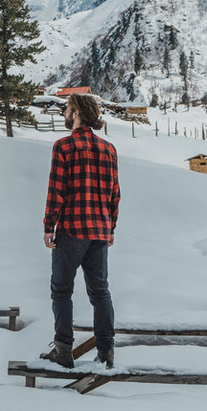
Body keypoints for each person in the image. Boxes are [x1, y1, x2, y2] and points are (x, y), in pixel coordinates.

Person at [40, 93, 120, 368]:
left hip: (72, 230)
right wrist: (110, 228)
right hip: (99, 231)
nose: (64, 113)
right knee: (101, 293)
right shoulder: (109, 149)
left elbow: (56, 192)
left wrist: (49, 226)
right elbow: (114, 195)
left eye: (67, 109)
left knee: (62, 290)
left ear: (75, 113)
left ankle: (63, 351)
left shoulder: (63, 146)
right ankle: (106, 353)